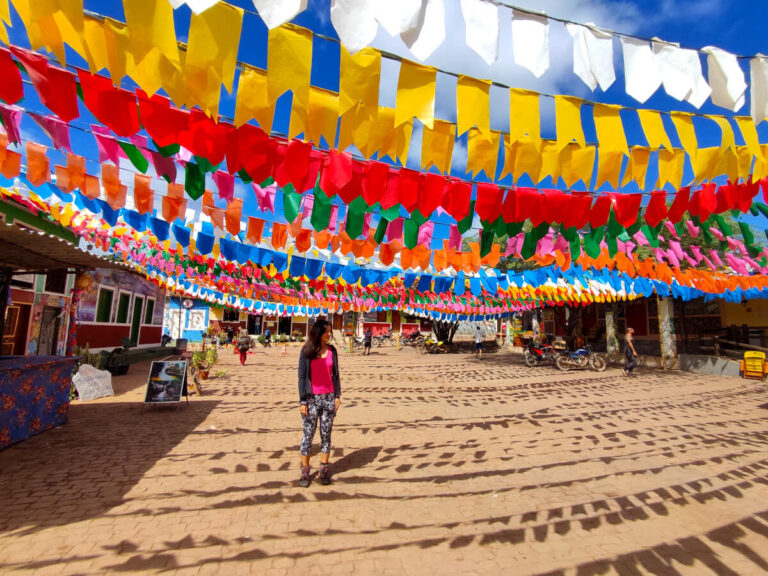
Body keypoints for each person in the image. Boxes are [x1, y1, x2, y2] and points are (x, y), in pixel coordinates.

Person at [297, 318, 341, 487]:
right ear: (318, 333)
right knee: (308, 436)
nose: (329, 334)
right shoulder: (307, 351)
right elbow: (301, 378)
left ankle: (323, 469)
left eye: (330, 331)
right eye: (327, 331)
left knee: (326, 435)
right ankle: (305, 470)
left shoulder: (332, 351)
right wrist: (302, 400)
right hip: (310, 399)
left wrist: (338, 395)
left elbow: (336, 374)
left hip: (329, 398)